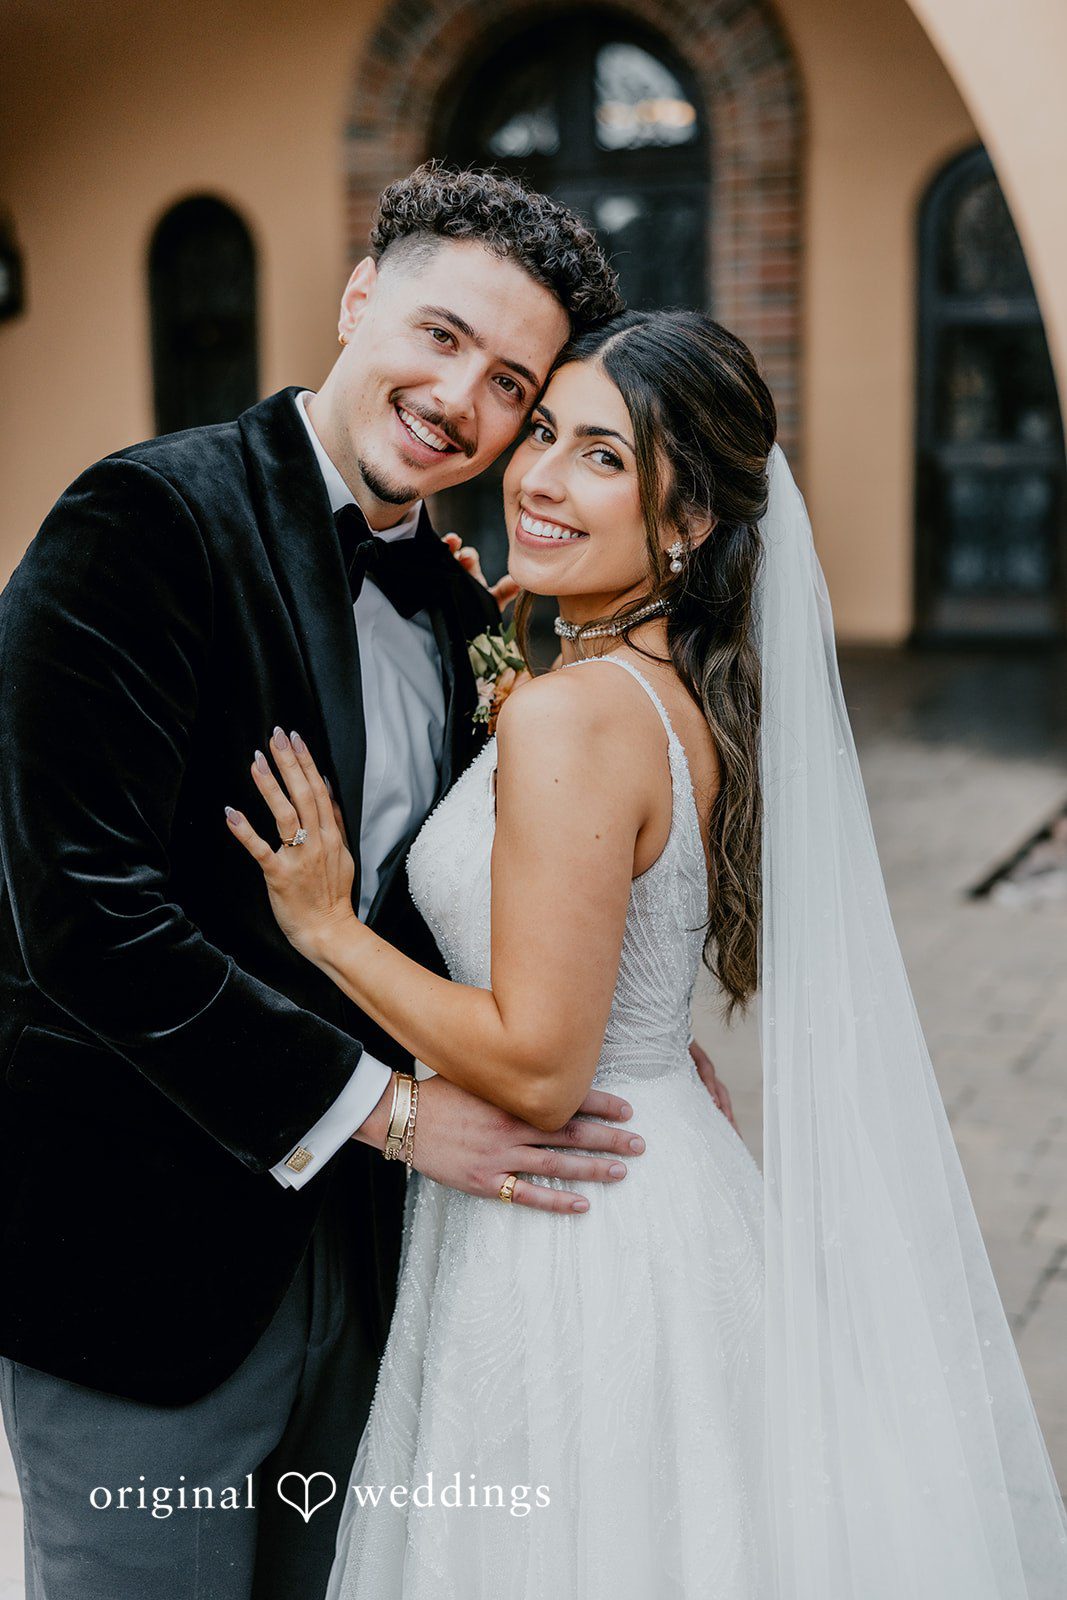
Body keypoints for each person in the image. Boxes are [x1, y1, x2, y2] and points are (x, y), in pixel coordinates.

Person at [229, 309, 1067, 1597]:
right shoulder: (675, 694)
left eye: (604, 458)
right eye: (546, 432)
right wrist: (510, 660)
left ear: (686, 525)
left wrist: (328, 929)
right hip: (662, 1174)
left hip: (568, 1222)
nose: (542, 476)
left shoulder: (576, 718)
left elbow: (539, 1064)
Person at [0, 167, 727, 1600]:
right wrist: (387, 1115)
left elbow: (479, 891)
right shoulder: (144, 521)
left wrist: (623, 1015)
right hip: (145, 1259)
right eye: (441, 336)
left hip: (379, 1274)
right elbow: (84, 919)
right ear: (356, 300)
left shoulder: (469, 612)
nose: (463, 399)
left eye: (510, 381)